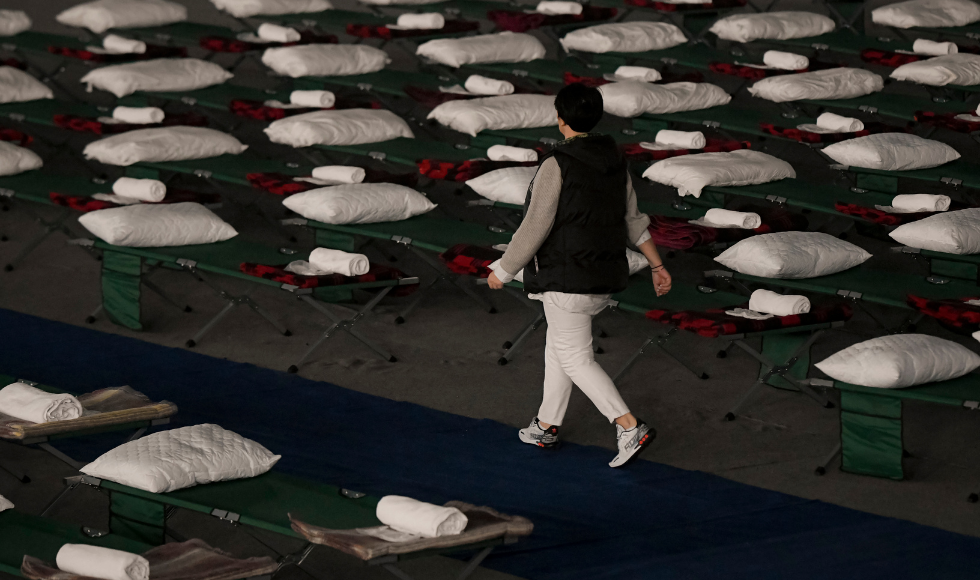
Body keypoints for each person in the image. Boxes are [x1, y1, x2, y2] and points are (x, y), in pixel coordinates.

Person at [487, 83, 672, 468]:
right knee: (559, 347)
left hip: (566, 277)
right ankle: (546, 424)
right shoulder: (615, 160)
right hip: (602, 273)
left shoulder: (557, 163)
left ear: (560, 119)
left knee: (573, 355)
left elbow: (535, 225)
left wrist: (504, 270)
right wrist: (657, 264)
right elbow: (633, 220)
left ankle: (627, 425)